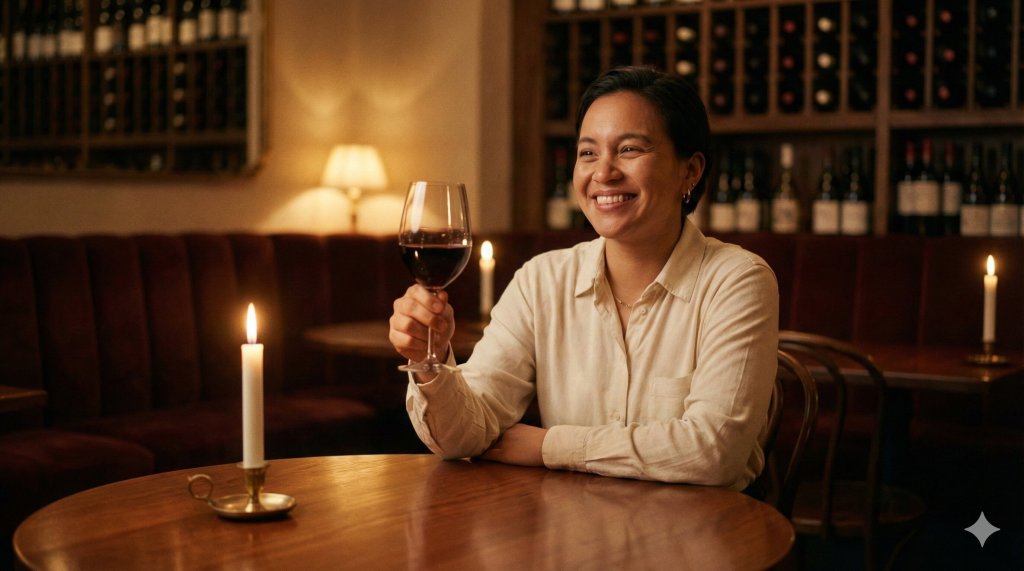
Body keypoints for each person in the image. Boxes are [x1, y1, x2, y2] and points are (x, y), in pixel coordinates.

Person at [388, 66, 778, 491]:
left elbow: (714, 452)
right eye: (588, 153)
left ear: (690, 171)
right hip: (575, 535)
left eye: (629, 149)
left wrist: (549, 447)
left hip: (706, 538)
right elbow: (465, 435)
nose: (603, 172)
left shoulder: (738, 280)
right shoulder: (542, 280)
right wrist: (431, 362)